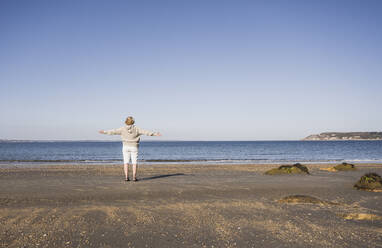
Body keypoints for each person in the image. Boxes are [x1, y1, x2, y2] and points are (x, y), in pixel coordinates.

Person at [98, 116, 161, 182]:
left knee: (126, 162)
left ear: (126, 121)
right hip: (134, 147)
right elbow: (146, 132)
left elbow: (113, 131)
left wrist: (104, 132)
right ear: (133, 122)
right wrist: (155, 134)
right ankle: (134, 177)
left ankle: (126, 177)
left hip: (125, 147)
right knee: (134, 162)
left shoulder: (122, 129)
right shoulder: (136, 128)